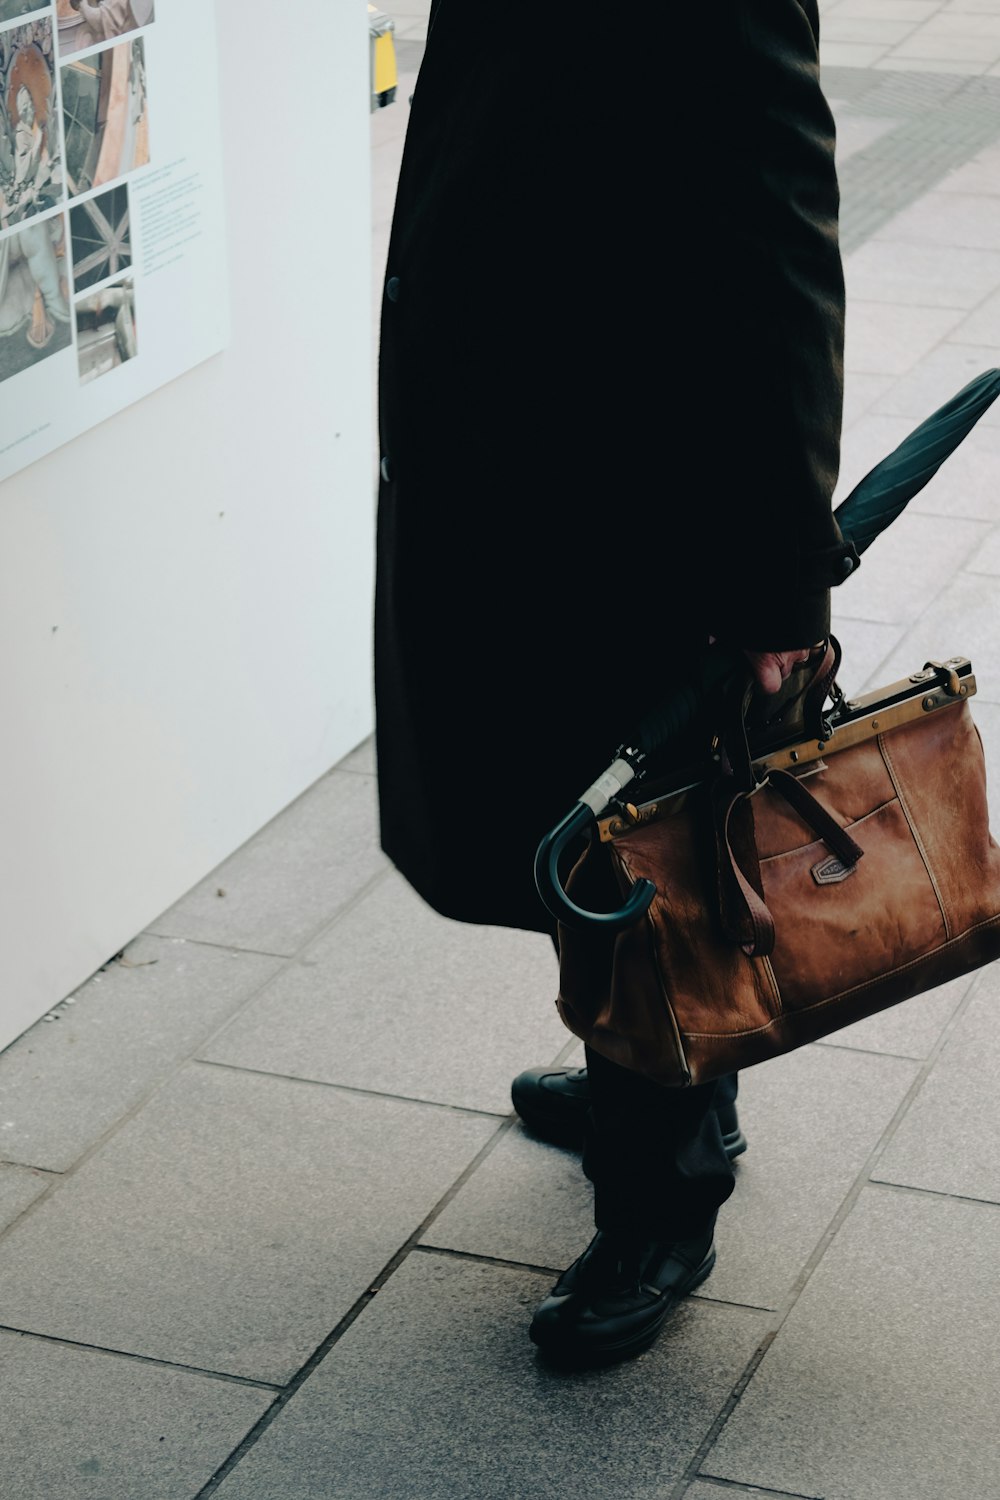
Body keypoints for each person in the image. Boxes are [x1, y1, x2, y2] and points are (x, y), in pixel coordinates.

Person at [375, 1, 857, 1366]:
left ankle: (663, 1201)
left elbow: (780, 238)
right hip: (522, 471)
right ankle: (647, 1073)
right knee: (573, 821)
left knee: (647, 853)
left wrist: (780, 583)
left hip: (637, 500)